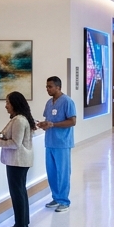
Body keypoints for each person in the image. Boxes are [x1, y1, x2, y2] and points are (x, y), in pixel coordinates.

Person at [0, 91, 35, 227]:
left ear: (15, 104)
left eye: (8, 102)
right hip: (19, 161)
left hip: (17, 161)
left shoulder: (19, 121)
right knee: (20, 192)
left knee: (17, 193)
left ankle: (19, 225)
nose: (6, 106)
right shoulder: (18, 119)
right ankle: (23, 223)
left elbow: (15, 143)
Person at [37, 76, 77, 212]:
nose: (47, 89)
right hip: (50, 142)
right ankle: (56, 197)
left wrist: (53, 124)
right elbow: (48, 120)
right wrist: (43, 124)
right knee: (52, 172)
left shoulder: (67, 101)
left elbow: (72, 121)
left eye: (50, 87)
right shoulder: (49, 103)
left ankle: (64, 201)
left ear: (58, 87)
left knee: (63, 172)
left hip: (62, 143)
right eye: (46, 87)